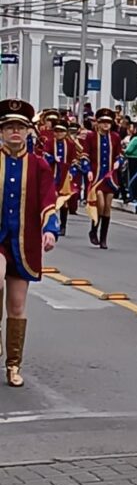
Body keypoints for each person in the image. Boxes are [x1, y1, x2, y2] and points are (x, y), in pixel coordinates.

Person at [0, 99, 59, 386]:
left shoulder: (38, 165)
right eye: (9, 127)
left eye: (19, 127)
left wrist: (50, 229)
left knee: (17, 304)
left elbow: (49, 199)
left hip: (24, 241)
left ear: (28, 132)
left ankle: (13, 364)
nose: (14, 132)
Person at [80, 108, 122, 249]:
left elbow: (120, 155)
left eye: (108, 122)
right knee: (100, 204)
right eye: (103, 122)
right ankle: (93, 229)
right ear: (97, 123)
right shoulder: (91, 137)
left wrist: (118, 162)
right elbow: (84, 156)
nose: (106, 125)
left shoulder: (115, 137)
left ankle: (103, 238)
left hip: (110, 177)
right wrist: (88, 171)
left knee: (108, 208)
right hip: (97, 176)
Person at [42, 115, 82, 236]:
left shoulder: (69, 145)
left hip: (65, 175)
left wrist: (73, 171)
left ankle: (63, 226)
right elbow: (45, 156)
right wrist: (53, 158)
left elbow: (74, 159)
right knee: (51, 200)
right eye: (57, 131)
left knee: (64, 201)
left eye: (62, 131)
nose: (59, 133)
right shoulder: (49, 143)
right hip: (52, 175)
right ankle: (50, 223)